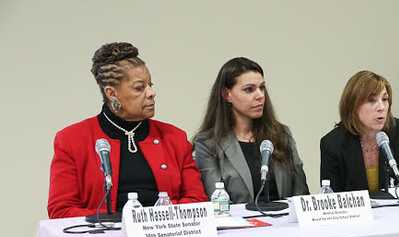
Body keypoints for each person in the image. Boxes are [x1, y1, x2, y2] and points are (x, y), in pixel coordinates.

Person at [47, 42, 207, 219]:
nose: (151, 93)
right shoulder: (71, 140)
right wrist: (121, 220)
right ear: (111, 93)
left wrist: (153, 219)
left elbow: (197, 200)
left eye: (150, 85)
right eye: (139, 88)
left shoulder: (174, 137)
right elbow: (61, 211)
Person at [193, 57, 309, 204]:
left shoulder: (281, 135)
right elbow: (217, 202)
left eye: (262, 88)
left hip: (286, 222)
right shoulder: (208, 143)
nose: (260, 96)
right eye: (249, 89)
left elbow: (301, 194)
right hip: (238, 225)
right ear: (226, 94)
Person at [320, 71, 399, 193]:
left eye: (385, 99)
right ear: (353, 106)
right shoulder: (333, 144)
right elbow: (331, 196)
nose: (381, 107)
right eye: (372, 100)